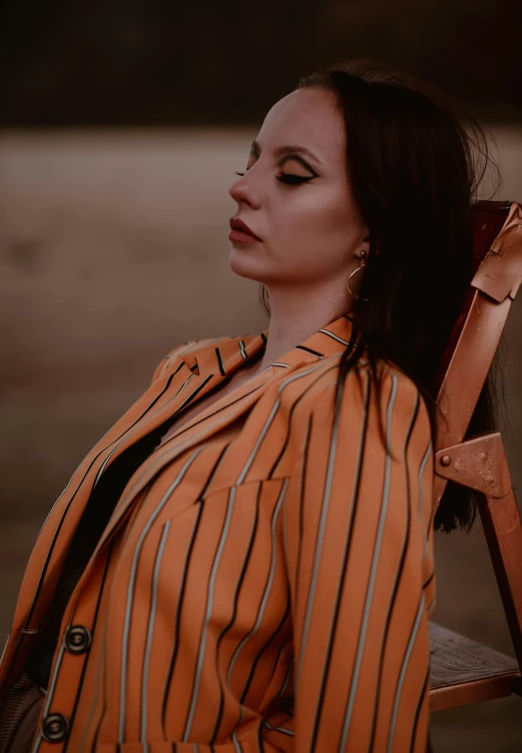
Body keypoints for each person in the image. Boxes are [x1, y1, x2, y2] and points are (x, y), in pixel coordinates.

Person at [0, 58, 501, 752]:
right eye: (252, 161)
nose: (242, 189)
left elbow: (363, 726)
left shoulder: (359, 408)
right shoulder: (195, 370)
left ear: (377, 230)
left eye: (292, 175)